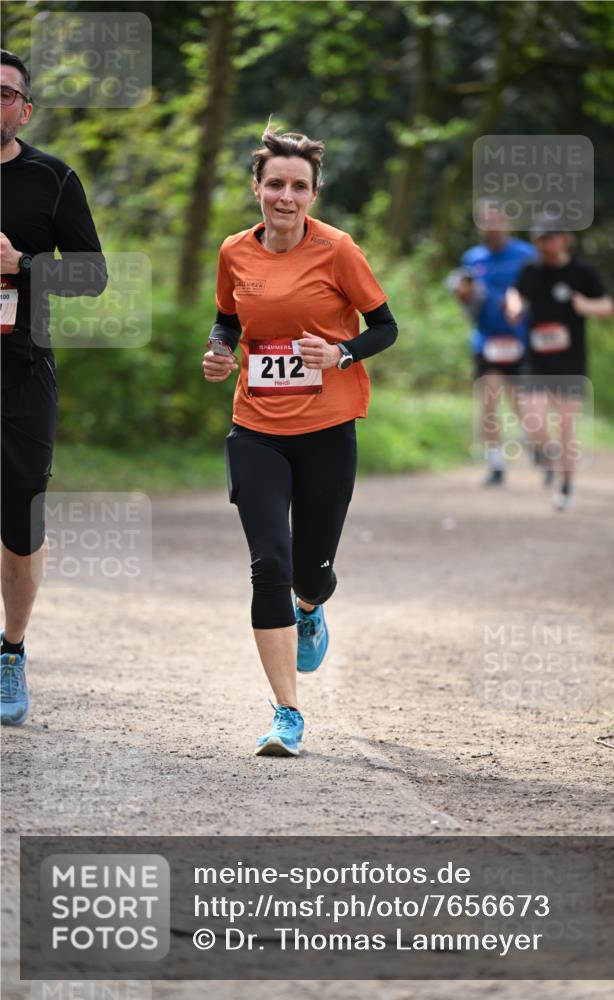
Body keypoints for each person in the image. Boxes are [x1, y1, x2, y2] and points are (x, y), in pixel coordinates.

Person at [203, 125, 397, 756]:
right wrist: (219, 351)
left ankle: (312, 606)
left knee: (310, 570)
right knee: (270, 564)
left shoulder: (338, 250)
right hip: (256, 428)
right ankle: (287, 711)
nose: (285, 196)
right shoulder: (235, 251)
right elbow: (228, 317)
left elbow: (385, 327)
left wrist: (341, 352)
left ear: (313, 194)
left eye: (299, 186)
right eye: (275, 184)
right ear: (257, 187)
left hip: (327, 429)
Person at [0, 50, 106, 724]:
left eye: (6, 93)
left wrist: (24, 263)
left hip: (20, 374)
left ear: (24, 109)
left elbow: (91, 275)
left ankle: (10, 653)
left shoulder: (52, 178)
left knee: (20, 525)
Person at [505, 215, 614, 510]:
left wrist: (586, 305)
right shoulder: (530, 270)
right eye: (540, 238)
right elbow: (515, 292)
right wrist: (514, 305)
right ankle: (547, 455)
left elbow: (607, 305)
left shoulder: (582, 272)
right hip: (537, 360)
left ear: (565, 238)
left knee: (566, 427)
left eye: (551, 237)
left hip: (570, 362)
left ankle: (565, 487)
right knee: (533, 418)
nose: (546, 244)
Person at [449, 202, 536, 486]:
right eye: (485, 221)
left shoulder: (525, 255)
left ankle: (534, 443)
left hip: (519, 338)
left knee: (521, 402)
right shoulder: (473, 259)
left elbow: (539, 291)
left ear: (507, 223)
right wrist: (463, 294)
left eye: (496, 220)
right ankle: (496, 463)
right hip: (486, 340)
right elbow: (465, 298)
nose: (491, 226)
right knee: (489, 400)